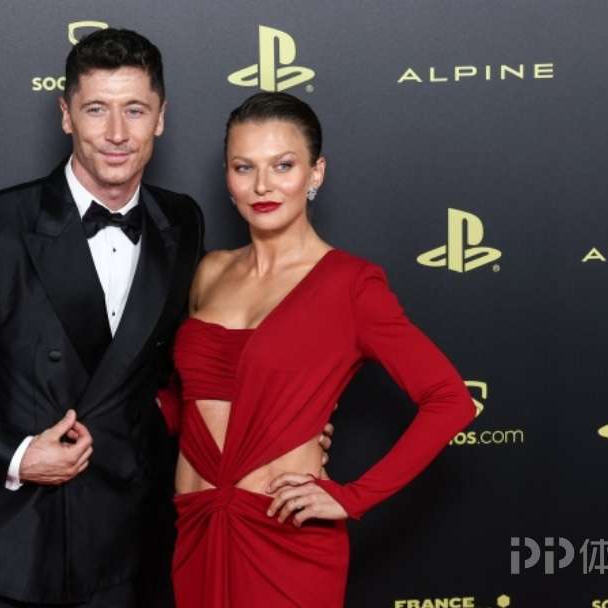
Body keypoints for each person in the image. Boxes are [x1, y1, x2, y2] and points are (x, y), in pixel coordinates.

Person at [0, 30, 332, 608]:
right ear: (65, 114)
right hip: (10, 547)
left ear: (160, 117)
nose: (117, 133)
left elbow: (185, 365)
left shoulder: (181, 221)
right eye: (97, 109)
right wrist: (18, 453)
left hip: (129, 545)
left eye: (135, 110)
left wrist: (281, 423)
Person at [160, 92, 477, 607]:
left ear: (316, 173)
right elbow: (190, 400)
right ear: (227, 177)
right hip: (197, 525)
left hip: (282, 537)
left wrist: (353, 497)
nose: (262, 186)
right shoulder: (209, 272)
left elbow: (450, 400)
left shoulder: (351, 285)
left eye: (283, 165)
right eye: (244, 167)